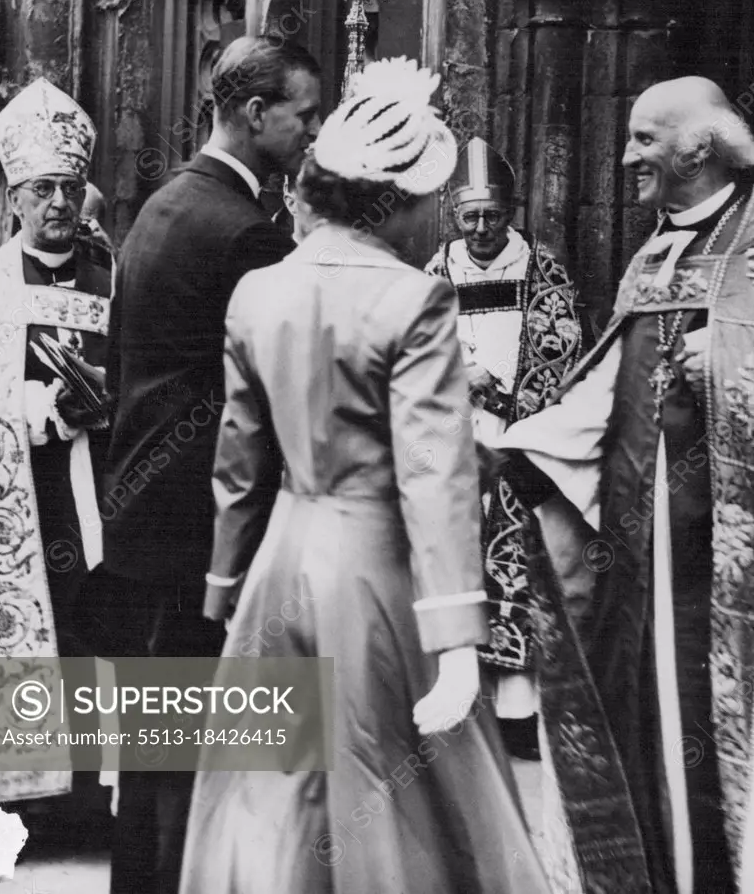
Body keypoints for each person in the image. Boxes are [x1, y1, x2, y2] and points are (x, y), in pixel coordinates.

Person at [178, 58, 551, 894]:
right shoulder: (412, 300)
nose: (433, 218)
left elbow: (239, 463)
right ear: (397, 201)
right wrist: (458, 640)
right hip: (378, 572)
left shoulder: (257, 292)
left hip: (280, 559)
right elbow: (429, 472)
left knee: (281, 792)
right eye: (427, 200)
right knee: (390, 791)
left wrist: (223, 584)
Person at [497, 76, 754, 894]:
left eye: (641, 139)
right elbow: (608, 383)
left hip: (734, 565)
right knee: (646, 707)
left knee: (704, 714)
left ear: (696, 149)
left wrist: (731, 367)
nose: (625, 155)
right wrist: (519, 445)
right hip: (639, 552)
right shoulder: (655, 249)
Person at [95, 36, 321, 894]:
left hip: (144, 514)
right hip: (205, 526)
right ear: (256, 113)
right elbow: (264, 404)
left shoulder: (159, 207)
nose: (309, 132)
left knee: (157, 752)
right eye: (301, 114)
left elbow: (126, 368)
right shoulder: (246, 236)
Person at [425, 137, 582, 760]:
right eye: (471, 217)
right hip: (456, 437)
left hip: (523, 436)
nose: (483, 228)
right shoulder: (437, 274)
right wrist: (463, 376)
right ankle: (464, 706)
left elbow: (563, 346)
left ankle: (520, 708)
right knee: (459, 564)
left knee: (519, 566)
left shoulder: (543, 269)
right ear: (454, 215)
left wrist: (515, 407)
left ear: (511, 211)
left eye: (494, 215)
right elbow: (415, 352)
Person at [0, 78, 112, 811]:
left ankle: (97, 796)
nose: (59, 202)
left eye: (70, 187)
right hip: (27, 496)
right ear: (16, 200)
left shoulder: (114, 281)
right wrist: (41, 406)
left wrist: (106, 395)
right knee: (42, 631)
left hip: (105, 487)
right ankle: (29, 794)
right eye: (42, 190)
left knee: (99, 632)